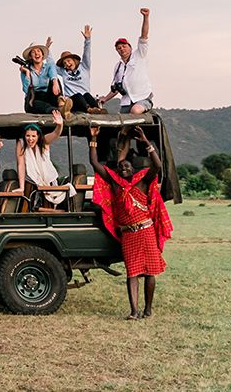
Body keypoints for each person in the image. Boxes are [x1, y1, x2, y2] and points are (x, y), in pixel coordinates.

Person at [89, 125, 172, 320]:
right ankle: (134, 312)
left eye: (127, 166)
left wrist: (145, 143)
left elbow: (157, 166)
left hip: (145, 231)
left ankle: (148, 310)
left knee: (150, 271)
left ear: (133, 169)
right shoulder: (115, 184)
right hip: (128, 234)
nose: (124, 168)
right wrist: (93, 139)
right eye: (121, 166)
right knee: (132, 272)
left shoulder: (142, 181)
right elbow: (94, 163)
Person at [14, 110, 75, 207]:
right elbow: (20, 165)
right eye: (28, 136)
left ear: (38, 136)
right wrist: (21, 187)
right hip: (30, 181)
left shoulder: (44, 142)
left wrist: (59, 125)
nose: (30, 139)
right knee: (27, 203)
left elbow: (55, 134)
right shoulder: (21, 144)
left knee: (48, 203)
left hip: (47, 181)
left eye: (33, 136)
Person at [99, 8, 154, 114]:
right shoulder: (118, 67)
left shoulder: (139, 55)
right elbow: (116, 88)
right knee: (120, 123)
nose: (122, 49)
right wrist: (105, 99)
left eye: (124, 46)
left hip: (142, 98)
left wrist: (146, 17)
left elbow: (144, 36)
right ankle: (125, 131)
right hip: (127, 101)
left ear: (130, 47)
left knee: (135, 111)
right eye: (119, 48)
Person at [53, 25, 105, 115]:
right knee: (78, 95)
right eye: (64, 63)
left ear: (74, 60)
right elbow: (51, 66)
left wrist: (87, 40)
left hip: (85, 99)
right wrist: (46, 52)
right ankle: (89, 110)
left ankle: (98, 110)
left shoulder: (84, 66)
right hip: (73, 102)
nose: (67, 64)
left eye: (68, 61)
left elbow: (87, 54)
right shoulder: (63, 71)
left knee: (87, 95)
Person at [19, 43, 70, 115]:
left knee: (55, 80)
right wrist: (27, 73)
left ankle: (61, 103)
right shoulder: (26, 70)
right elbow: (26, 90)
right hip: (33, 99)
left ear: (42, 55)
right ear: (30, 56)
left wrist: (55, 82)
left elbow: (53, 73)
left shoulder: (48, 66)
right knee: (40, 104)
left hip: (48, 97)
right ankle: (59, 111)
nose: (36, 53)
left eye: (38, 51)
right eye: (33, 52)